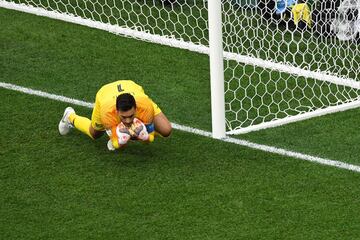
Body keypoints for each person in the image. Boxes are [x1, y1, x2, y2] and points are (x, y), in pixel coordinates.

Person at [58, 80, 172, 150]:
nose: (127, 121)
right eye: (123, 117)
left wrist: (145, 136)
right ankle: (69, 116)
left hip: (131, 87)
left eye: (131, 116)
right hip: (105, 94)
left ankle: (131, 129)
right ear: (116, 112)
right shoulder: (107, 113)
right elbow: (115, 143)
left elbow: (149, 137)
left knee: (166, 130)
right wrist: (120, 140)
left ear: (136, 109)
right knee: (94, 134)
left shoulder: (146, 107)